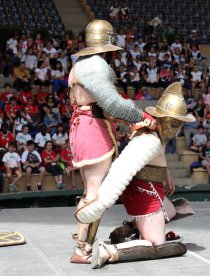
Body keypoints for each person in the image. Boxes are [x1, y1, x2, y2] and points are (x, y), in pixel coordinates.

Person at [74, 82, 193, 268]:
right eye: (176, 122)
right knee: (157, 244)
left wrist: (166, 173)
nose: (177, 128)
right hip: (145, 192)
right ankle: (111, 252)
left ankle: (129, 228)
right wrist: (100, 203)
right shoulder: (148, 139)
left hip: (151, 188)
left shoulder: (155, 134)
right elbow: (122, 171)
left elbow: (155, 158)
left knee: (173, 210)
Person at [68, 20, 156, 264]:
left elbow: (101, 106)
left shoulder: (79, 65)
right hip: (91, 130)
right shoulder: (96, 65)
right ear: (107, 44)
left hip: (82, 127)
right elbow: (112, 104)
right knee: (97, 195)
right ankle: (82, 248)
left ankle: (81, 238)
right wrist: (142, 117)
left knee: (90, 192)